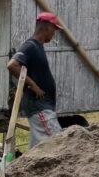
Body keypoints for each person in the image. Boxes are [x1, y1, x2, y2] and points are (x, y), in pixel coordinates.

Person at [7, 12, 62, 148]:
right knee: (57, 143)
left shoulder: (38, 47)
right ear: (47, 27)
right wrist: (33, 85)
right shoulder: (30, 45)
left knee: (39, 149)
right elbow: (12, 65)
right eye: (54, 30)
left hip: (42, 106)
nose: (54, 34)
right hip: (39, 106)